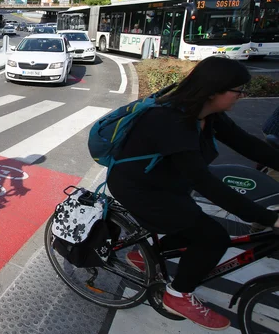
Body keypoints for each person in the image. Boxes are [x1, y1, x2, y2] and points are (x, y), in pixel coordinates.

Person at [107, 56, 279, 330]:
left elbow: (247, 144)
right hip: (138, 188)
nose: (242, 96)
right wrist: (268, 219)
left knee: (191, 221)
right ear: (214, 90)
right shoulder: (171, 120)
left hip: (164, 182)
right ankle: (177, 295)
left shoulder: (205, 113)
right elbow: (205, 182)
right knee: (213, 237)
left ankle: (144, 255)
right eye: (238, 91)